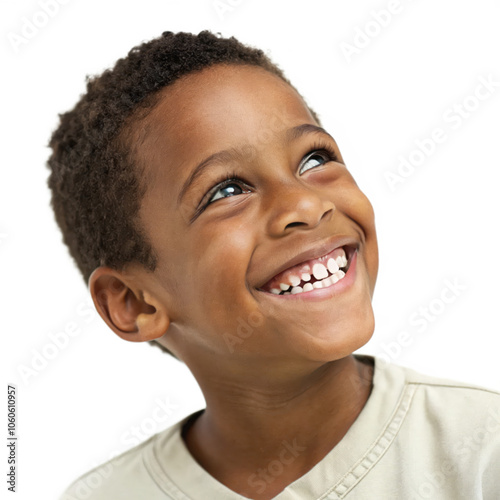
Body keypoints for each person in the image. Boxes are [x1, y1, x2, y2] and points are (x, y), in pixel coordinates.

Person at [49, 30, 500, 500]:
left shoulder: (482, 452)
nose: (304, 204)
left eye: (313, 159)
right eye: (227, 190)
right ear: (134, 302)